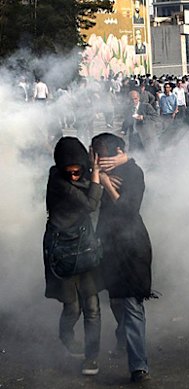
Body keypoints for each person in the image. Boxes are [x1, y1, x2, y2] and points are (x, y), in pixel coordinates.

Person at [91, 133, 154, 383]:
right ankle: (122, 335)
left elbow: (128, 210)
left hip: (132, 248)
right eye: (94, 154)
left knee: (131, 305)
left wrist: (106, 182)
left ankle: (139, 366)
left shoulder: (133, 173)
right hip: (107, 245)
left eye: (101, 154)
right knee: (115, 301)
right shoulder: (92, 169)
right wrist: (97, 172)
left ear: (117, 152)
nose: (97, 159)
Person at [43, 137, 103, 376]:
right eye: (70, 172)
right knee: (72, 307)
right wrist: (96, 173)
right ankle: (66, 337)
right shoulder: (58, 181)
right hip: (62, 251)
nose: (75, 176)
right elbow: (91, 204)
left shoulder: (78, 173)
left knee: (92, 306)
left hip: (84, 246)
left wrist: (95, 167)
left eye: (78, 171)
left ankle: (92, 357)